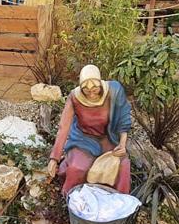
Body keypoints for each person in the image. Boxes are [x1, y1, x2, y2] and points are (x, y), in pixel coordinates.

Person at [47, 65, 132, 195]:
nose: (91, 93)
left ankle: (117, 202)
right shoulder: (75, 97)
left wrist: (122, 144)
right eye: (86, 90)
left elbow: (123, 117)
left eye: (95, 89)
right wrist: (54, 158)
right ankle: (74, 201)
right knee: (78, 168)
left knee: (123, 165)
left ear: (100, 84)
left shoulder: (114, 91)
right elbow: (64, 127)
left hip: (108, 138)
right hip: (83, 139)